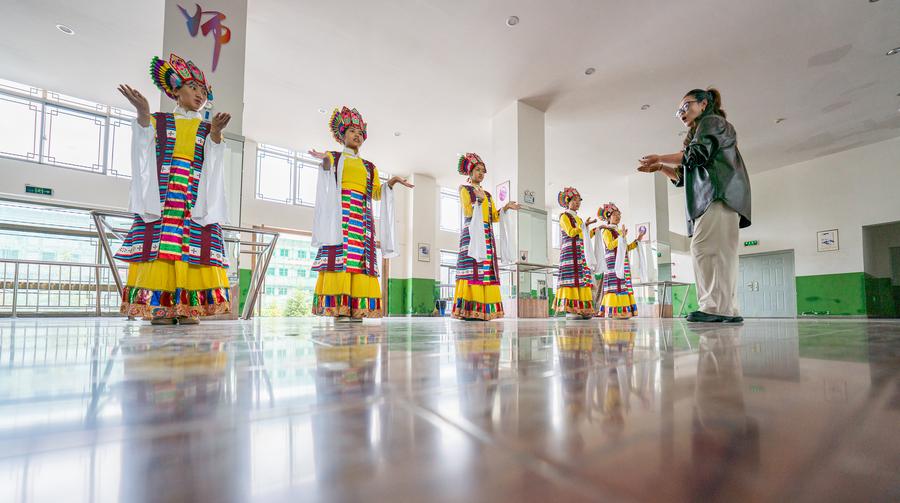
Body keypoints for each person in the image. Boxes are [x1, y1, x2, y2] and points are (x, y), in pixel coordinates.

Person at [115, 53, 232, 325]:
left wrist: (215, 133)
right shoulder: (160, 120)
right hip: (164, 195)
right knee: (162, 247)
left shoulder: (207, 127)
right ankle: (160, 307)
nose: (199, 94)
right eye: (193, 87)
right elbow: (143, 142)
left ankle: (189, 307)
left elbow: (214, 158)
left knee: (193, 247)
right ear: (176, 91)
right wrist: (142, 113)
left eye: (203, 91)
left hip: (195, 197)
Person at [638, 88, 751, 323]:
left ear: (703, 104)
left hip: (717, 194)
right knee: (722, 254)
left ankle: (713, 307)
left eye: (686, 106)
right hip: (723, 196)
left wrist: (660, 157)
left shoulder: (712, 122)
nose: (682, 112)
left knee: (703, 248)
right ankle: (727, 309)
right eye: (678, 110)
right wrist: (661, 167)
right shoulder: (705, 130)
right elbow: (683, 176)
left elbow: (696, 154)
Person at [308, 107, 413, 322]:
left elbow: (375, 194)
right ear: (342, 135)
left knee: (360, 261)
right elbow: (327, 171)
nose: (357, 135)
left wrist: (392, 181)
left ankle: (358, 308)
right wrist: (325, 161)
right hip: (340, 215)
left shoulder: (369, 166)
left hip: (363, 217)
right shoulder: (335, 157)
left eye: (360, 132)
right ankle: (339, 308)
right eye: (352, 131)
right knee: (340, 257)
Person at [452, 153, 519, 321]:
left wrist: (505, 208)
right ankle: (469, 311)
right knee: (473, 267)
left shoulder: (487, 194)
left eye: (483, 171)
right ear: (470, 172)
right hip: (472, 233)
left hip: (487, 234)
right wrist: (479, 201)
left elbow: (494, 217)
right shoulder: (465, 189)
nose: (481, 173)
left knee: (486, 269)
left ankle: (485, 310)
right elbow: (468, 211)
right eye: (477, 170)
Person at [554, 187, 596, 320]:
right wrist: (583, 226)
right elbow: (571, 232)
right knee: (571, 279)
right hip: (570, 252)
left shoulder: (579, 219)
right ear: (568, 202)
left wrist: (592, 231)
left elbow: (583, 235)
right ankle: (572, 310)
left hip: (580, 252)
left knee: (582, 279)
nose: (577, 203)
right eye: (574, 200)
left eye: (579, 200)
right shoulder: (564, 216)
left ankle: (583, 309)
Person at [596, 203, 644, 319]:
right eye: (615, 215)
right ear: (608, 217)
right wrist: (621, 237)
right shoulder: (606, 231)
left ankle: (624, 310)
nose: (618, 217)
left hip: (622, 261)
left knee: (622, 285)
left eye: (619, 215)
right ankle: (613, 311)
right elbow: (610, 245)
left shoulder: (618, 232)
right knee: (614, 285)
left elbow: (625, 248)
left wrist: (637, 240)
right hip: (612, 261)